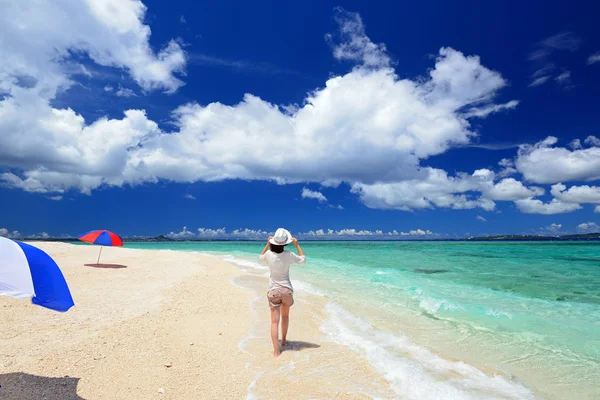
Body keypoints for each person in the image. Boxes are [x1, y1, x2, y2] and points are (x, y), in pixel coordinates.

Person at [259, 228, 305, 357]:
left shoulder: (268, 254)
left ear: (274, 242)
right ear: (285, 243)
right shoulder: (289, 254)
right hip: (287, 291)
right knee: (285, 317)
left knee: (274, 321)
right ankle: (284, 341)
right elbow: (303, 260)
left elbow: (260, 257)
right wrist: (297, 245)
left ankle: (276, 351)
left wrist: (267, 244)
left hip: (273, 291)